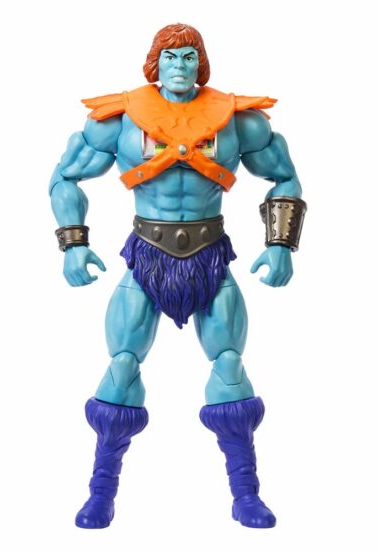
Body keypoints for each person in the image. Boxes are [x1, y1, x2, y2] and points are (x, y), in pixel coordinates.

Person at [50, 23, 306, 529]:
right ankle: (101, 493)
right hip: (146, 257)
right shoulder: (120, 120)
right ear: (154, 64)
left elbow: (285, 176)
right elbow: (65, 177)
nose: (180, 66)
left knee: (229, 366)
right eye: (170, 57)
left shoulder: (238, 120)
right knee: (122, 367)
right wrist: (73, 245)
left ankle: (246, 495)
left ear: (201, 64)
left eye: (190, 57)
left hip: (211, 258)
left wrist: (280, 245)